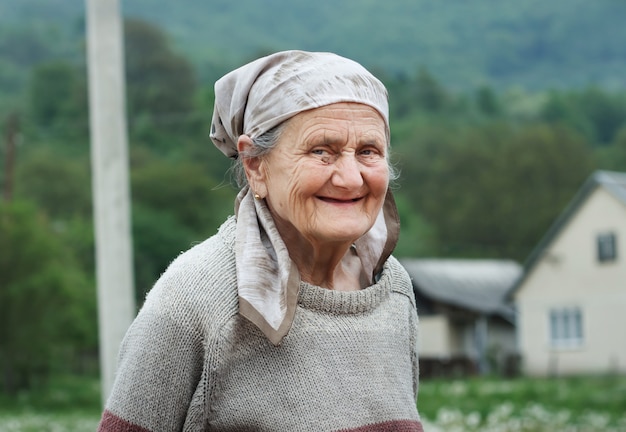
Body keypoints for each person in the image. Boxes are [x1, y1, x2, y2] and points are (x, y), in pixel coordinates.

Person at [98, 50, 423, 432]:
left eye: (368, 152)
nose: (351, 178)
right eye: (322, 151)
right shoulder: (196, 297)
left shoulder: (392, 289)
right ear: (255, 166)